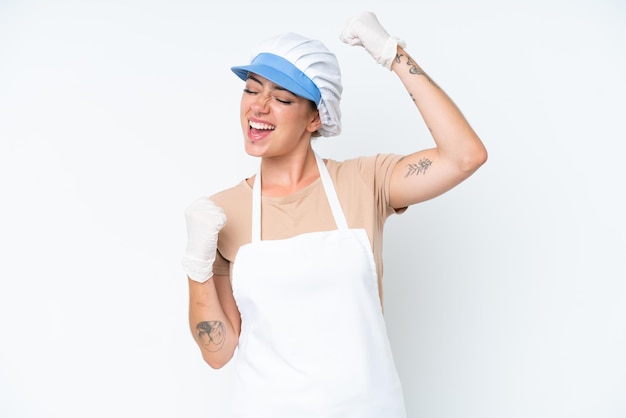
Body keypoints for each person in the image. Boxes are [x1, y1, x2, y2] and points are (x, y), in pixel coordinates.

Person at [181, 10, 487, 418]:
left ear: (315, 117)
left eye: (283, 98)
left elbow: (465, 156)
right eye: (252, 90)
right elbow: (218, 353)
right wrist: (196, 266)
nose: (260, 107)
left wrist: (393, 54)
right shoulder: (221, 213)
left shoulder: (365, 182)